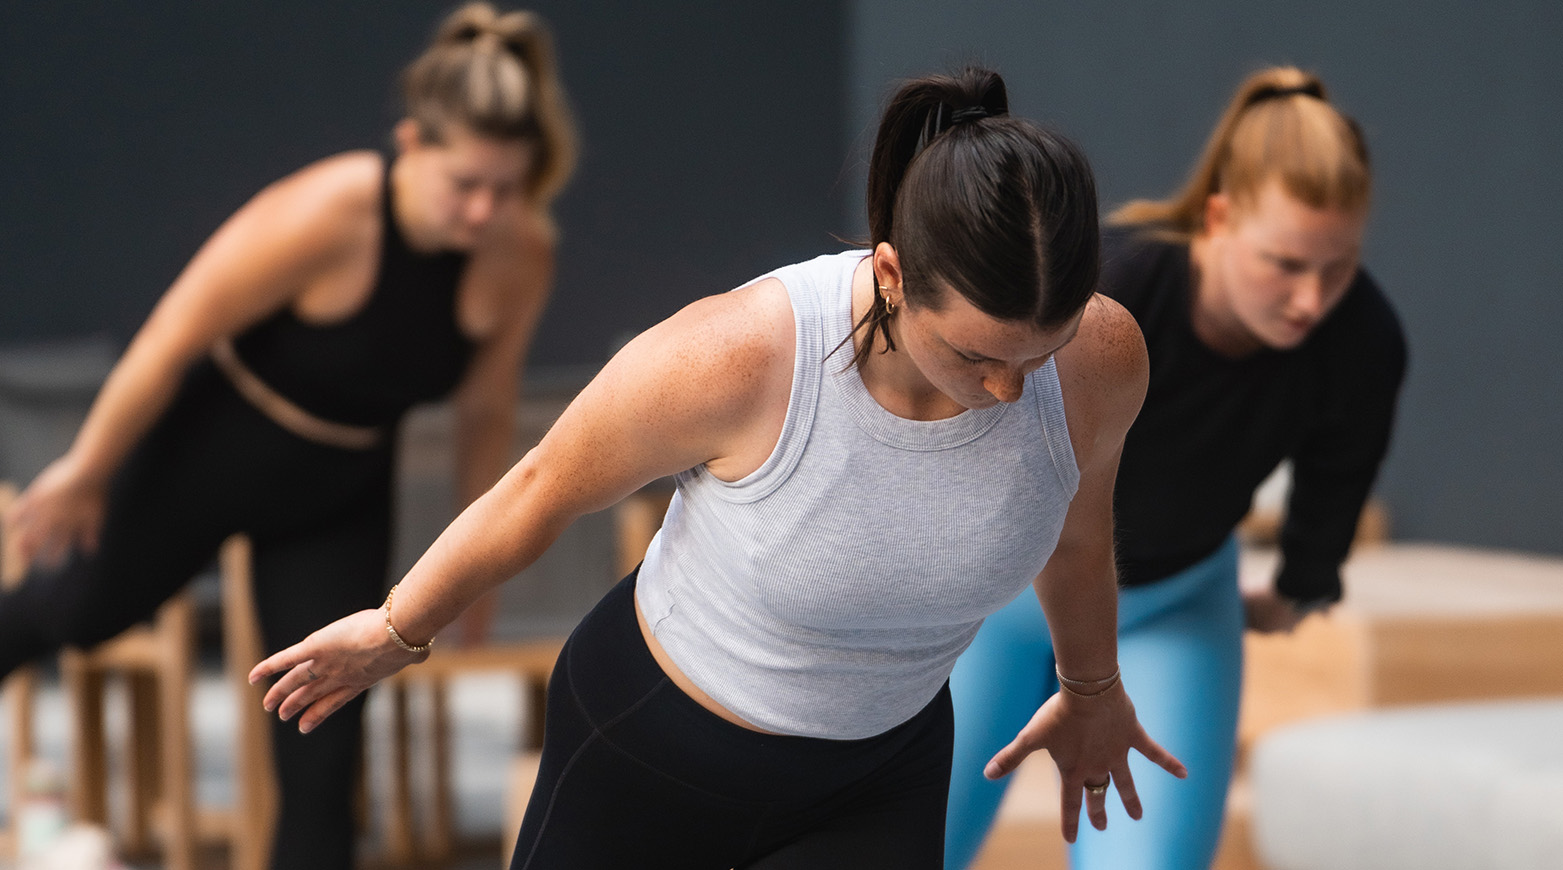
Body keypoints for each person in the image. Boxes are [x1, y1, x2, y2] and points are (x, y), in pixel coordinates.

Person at [249, 67, 1188, 869]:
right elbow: (541, 489)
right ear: (892, 276)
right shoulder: (740, 358)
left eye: (1039, 351)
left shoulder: (1100, 362)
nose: (1008, 390)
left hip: (877, 775)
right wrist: (397, 628)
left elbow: (1075, 535)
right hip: (653, 749)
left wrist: (1091, 689)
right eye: (975, 355)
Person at [0, 4, 577, 867]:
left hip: (339, 494)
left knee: (322, 729)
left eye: (506, 188)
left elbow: (484, 414)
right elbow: (172, 336)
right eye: (465, 183)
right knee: (77, 611)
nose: (483, 209)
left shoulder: (519, 253)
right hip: (212, 450)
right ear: (410, 144)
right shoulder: (333, 209)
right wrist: (88, 467)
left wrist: (479, 569)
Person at [943, 66, 1408, 869]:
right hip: (1000, 599)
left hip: (1167, 607)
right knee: (908, 843)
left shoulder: (1361, 339)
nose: (1310, 299)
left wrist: (1296, 586)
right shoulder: (1111, 294)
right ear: (1218, 218)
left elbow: (1337, 483)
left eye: (1336, 267)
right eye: (1284, 263)